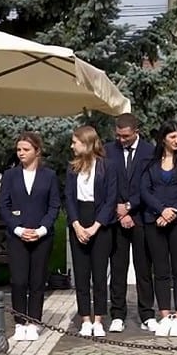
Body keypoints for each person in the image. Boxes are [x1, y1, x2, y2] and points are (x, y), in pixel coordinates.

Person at [0, 133, 61, 342]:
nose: (21, 153)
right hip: (17, 236)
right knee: (18, 281)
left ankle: (34, 322)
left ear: (37, 151)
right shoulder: (10, 176)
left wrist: (42, 229)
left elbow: (54, 206)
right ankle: (19, 322)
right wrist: (17, 229)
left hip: (41, 237)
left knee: (36, 281)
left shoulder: (49, 176)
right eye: (19, 150)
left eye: (26, 149)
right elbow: (4, 206)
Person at [140, 121, 177, 337]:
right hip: (155, 221)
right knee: (161, 271)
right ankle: (165, 315)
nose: (176, 141)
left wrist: (173, 212)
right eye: (172, 137)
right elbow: (144, 190)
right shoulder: (150, 162)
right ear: (163, 138)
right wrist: (161, 211)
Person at [105, 113, 157, 333]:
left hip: (141, 216)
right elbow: (107, 182)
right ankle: (117, 314)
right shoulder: (109, 151)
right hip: (117, 218)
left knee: (144, 267)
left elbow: (148, 184)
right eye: (118, 136)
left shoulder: (149, 151)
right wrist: (119, 208)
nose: (121, 140)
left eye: (125, 136)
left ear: (136, 131)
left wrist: (129, 207)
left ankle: (146, 314)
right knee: (118, 267)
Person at [65, 125, 118, 338]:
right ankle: (85, 318)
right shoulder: (72, 168)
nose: (72, 146)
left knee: (99, 273)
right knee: (81, 273)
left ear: (86, 143)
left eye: (75, 142)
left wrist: (96, 226)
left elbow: (110, 199)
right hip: (80, 218)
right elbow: (68, 197)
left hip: (100, 223)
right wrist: (77, 225)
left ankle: (98, 319)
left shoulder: (107, 167)